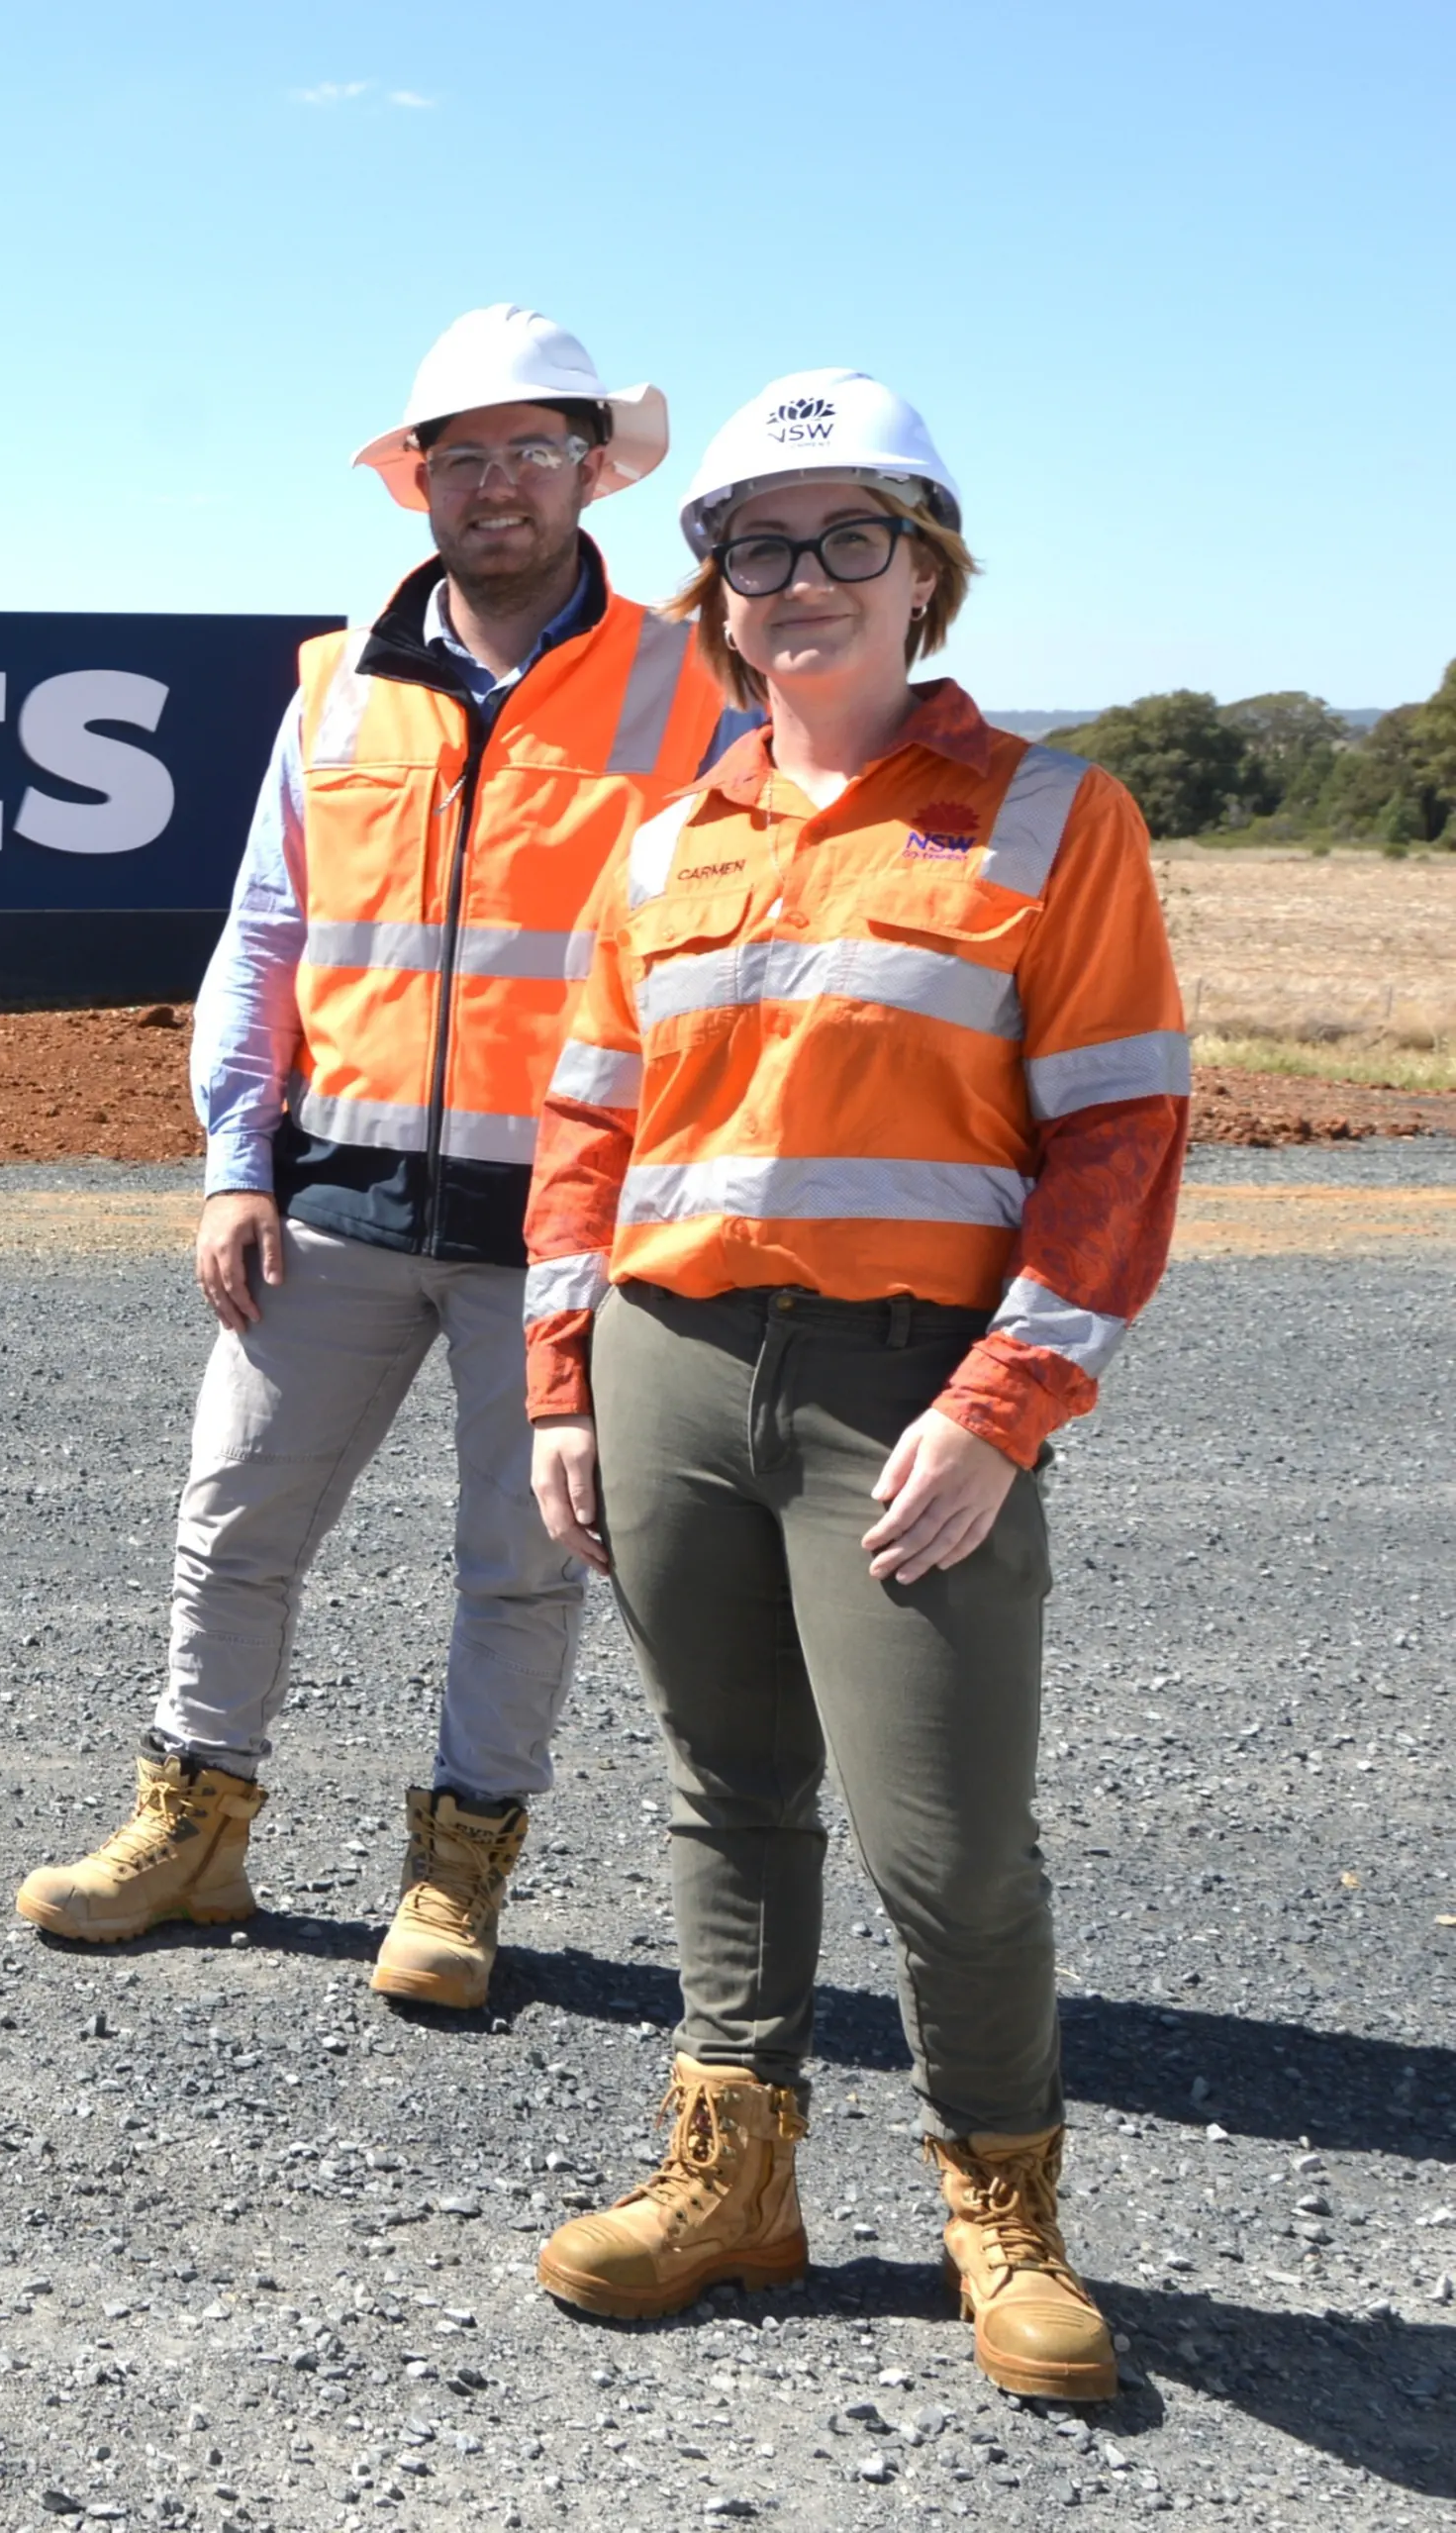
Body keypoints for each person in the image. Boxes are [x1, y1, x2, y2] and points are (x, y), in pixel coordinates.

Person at [522, 370, 1186, 2402]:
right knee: (727, 1790)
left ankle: (1006, 2209)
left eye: (849, 536)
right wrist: (562, 1383)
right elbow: (590, 1124)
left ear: (926, 571)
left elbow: (1120, 1136)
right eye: (756, 543)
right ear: (711, 587)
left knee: (946, 1840)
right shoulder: (662, 841)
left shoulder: (1053, 816)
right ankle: (735, 2181)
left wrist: (1000, 1406)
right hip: (668, 1365)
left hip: (907, 1391)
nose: (800, 577)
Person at [15, 307, 729, 2011]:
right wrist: (234, 1157)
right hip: (330, 1196)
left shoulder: (692, 685)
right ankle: (193, 1828)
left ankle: (458, 1869)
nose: (497, 483)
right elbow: (268, 929)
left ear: (592, 471)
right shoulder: (336, 688)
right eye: (461, 453)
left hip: (562, 1220)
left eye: (532, 449)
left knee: (523, 1562)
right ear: (416, 481)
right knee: (232, 1520)